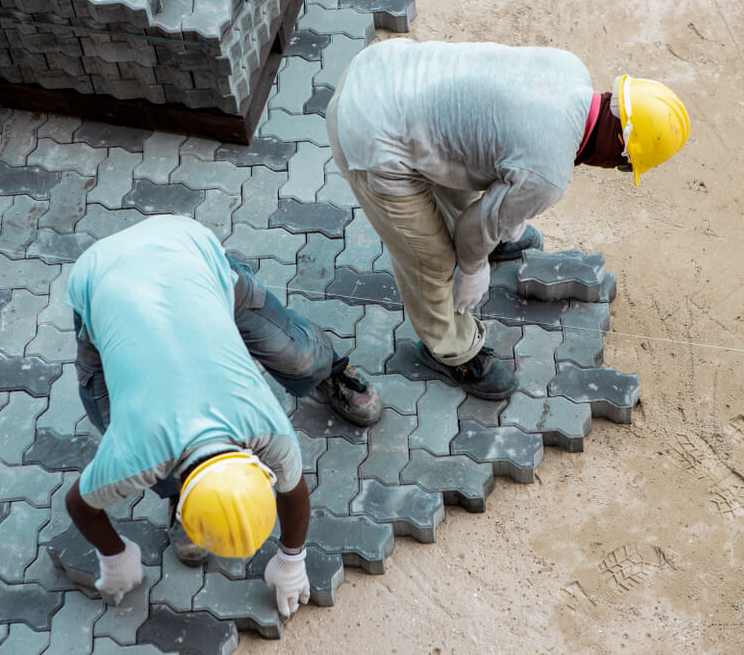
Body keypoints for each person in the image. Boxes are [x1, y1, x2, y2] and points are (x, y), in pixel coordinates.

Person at [326, 39, 690, 400]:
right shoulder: (548, 173)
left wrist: (505, 217)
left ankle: (494, 238)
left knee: (468, 163)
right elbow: (473, 230)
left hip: (382, 67)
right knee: (432, 261)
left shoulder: (569, 65)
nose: (614, 168)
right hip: (367, 133)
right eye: (624, 164)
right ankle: (451, 351)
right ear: (619, 144)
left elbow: (491, 139)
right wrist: (471, 267)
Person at [62, 215, 381, 617]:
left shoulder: (267, 427)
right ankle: (175, 491)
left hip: (192, 260)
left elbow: (293, 488)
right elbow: (79, 504)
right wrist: (113, 556)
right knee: (107, 408)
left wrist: (291, 558)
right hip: (104, 275)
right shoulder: (134, 452)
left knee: (299, 357)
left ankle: (329, 370)